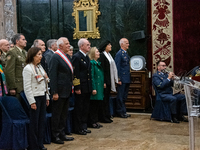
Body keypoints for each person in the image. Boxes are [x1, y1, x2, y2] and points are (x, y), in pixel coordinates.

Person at [23, 47, 50, 150]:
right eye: (38, 54)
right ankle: (33, 145)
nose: (40, 56)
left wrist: (47, 96)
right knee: (34, 123)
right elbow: (27, 87)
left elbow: (45, 83)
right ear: (32, 56)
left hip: (42, 96)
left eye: (40, 54)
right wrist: (32, 101)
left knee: (41, 121)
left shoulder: (40, 67)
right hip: (34, 97)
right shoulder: (28, 68)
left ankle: (40, 143)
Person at [49, 37, 74, 144]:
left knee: (64, 114)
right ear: (60, 46)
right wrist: (54, 92)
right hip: (59, 91)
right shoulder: (55, 57)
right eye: (67, 44)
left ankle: (62, 133)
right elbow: (53, 75)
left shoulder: (66, 56)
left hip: (66, 90)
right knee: (57, 114)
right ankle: (55, 135)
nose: (69, 45)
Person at [72, 38, 92, 135]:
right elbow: (76, 74)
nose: (89, 46)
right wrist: (77, 87)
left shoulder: (86, 57)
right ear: (82, 46)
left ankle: (84, 126)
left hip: (87, 86)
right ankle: (78, 127)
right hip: (81, 86)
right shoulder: (76, 56)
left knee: (85, 107)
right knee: (79, 108)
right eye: (87, 45)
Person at [98, 40, 118, 123]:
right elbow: (102, 70)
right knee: (104, 100)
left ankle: (107, 115)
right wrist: (104, 82)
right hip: (105, 81)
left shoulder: (109, 55)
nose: (111, 46)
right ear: (105, 46)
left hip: (109, 80)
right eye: (109, 45)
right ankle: (103, 117)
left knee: (107, 99)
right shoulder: (102, 56)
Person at [4, 33, 27, 101]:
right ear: (17, 41)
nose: (25, 41)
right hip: (18, 86)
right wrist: (12, 87)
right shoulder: (12, 52)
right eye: (23, 39)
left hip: (24, 84)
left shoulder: (24, 52)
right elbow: (9, 71)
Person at [87, 47, 104, 128]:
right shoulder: (92, 63)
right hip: (95, 88)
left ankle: (96, 120)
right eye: (97, 52)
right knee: (93, 106)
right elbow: (92, 77)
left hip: (99, 87)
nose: (99, 53)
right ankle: (92, 121)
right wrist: (93, 88)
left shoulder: (97, 63)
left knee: (97, 105)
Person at [115, 38, 131, 118]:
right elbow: (117, 67)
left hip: (127, 77)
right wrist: (118, 79)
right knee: (120, 96)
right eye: (127, 43)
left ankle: (123, 110)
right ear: (122, 44)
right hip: (122, 78)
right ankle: (120, 111)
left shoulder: (125, 53)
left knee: (124, 96)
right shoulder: (119, 54)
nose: (128, 45)